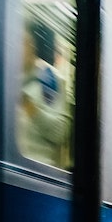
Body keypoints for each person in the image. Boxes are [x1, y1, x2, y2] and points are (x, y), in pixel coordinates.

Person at [18, 18, 72, 168]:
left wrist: (31, 108)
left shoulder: (48, 79)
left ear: (33, 45)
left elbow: (59, 132)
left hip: (35, 170)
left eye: (22, 42)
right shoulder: (6, 77)